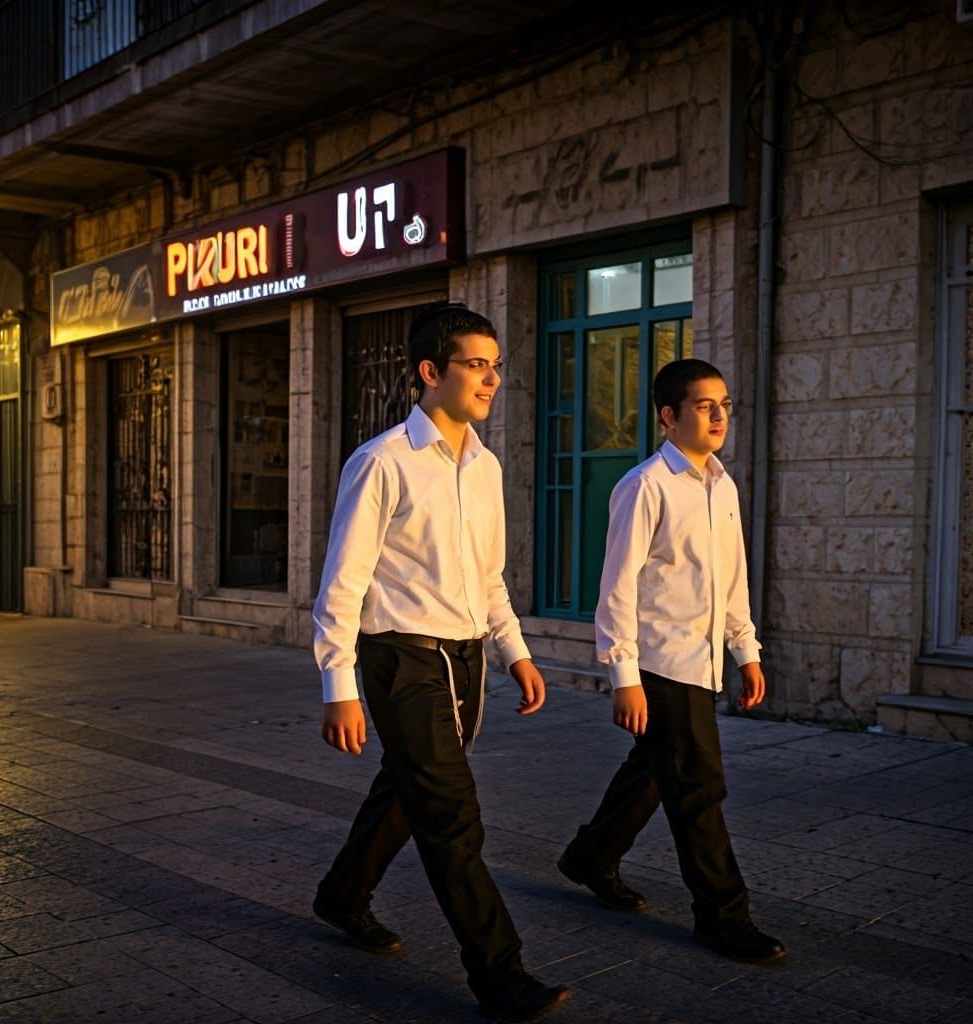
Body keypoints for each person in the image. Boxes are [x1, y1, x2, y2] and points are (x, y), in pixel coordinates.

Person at [312, 303, 571, 1021]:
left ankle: (342, 894)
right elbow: (345, 581)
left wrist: (514, 650)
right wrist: (340, 686)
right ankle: (500, 973)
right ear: (431, 371)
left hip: (466, 658)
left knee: (408, 787)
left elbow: (489, 577)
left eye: (495, 365)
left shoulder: (484, 466)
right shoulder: (382, 461)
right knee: (452, 817)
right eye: (475, 364)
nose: (491, 378)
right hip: (402, 658)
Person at [556, 357, 786, 965]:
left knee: (655, 771)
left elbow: (732, 578)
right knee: (698, 787)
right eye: (704, 406)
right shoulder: (645, 485)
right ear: (668, 415)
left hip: (703, 658)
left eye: (725, 405)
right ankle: (722, 916)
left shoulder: (723, 485)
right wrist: (622, 677)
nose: (718, 417)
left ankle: (589, 858)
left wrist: (746, 650)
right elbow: (618, 588)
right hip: (661, 663)